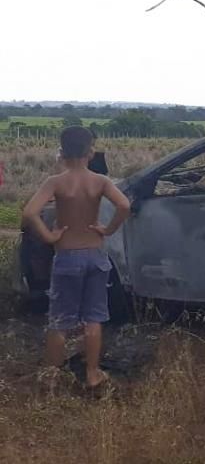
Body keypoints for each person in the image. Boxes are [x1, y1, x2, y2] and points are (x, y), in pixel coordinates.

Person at [22, 126, 130, 388]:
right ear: (90, 152)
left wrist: (50, 237)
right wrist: (108, 229)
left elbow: (29, 213)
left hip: (67, 257)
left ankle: (52, 375)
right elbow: (124, 205)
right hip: (96, 257)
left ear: (61, 152)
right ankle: (92, 374)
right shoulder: (100, 181)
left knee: (60, 320)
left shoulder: (55, 182)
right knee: (93, 319)